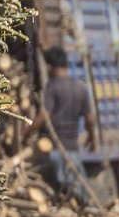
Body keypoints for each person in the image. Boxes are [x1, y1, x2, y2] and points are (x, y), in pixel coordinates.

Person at [37, 47, 95, 197]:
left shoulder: (52, 87)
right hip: (73, 148)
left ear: (49, 66)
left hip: (57, 149)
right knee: (78, 189)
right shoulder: (80, 88)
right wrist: (92, 138)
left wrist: (25, 132)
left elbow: (45, 114)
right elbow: (89, 118)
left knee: (62, 189)